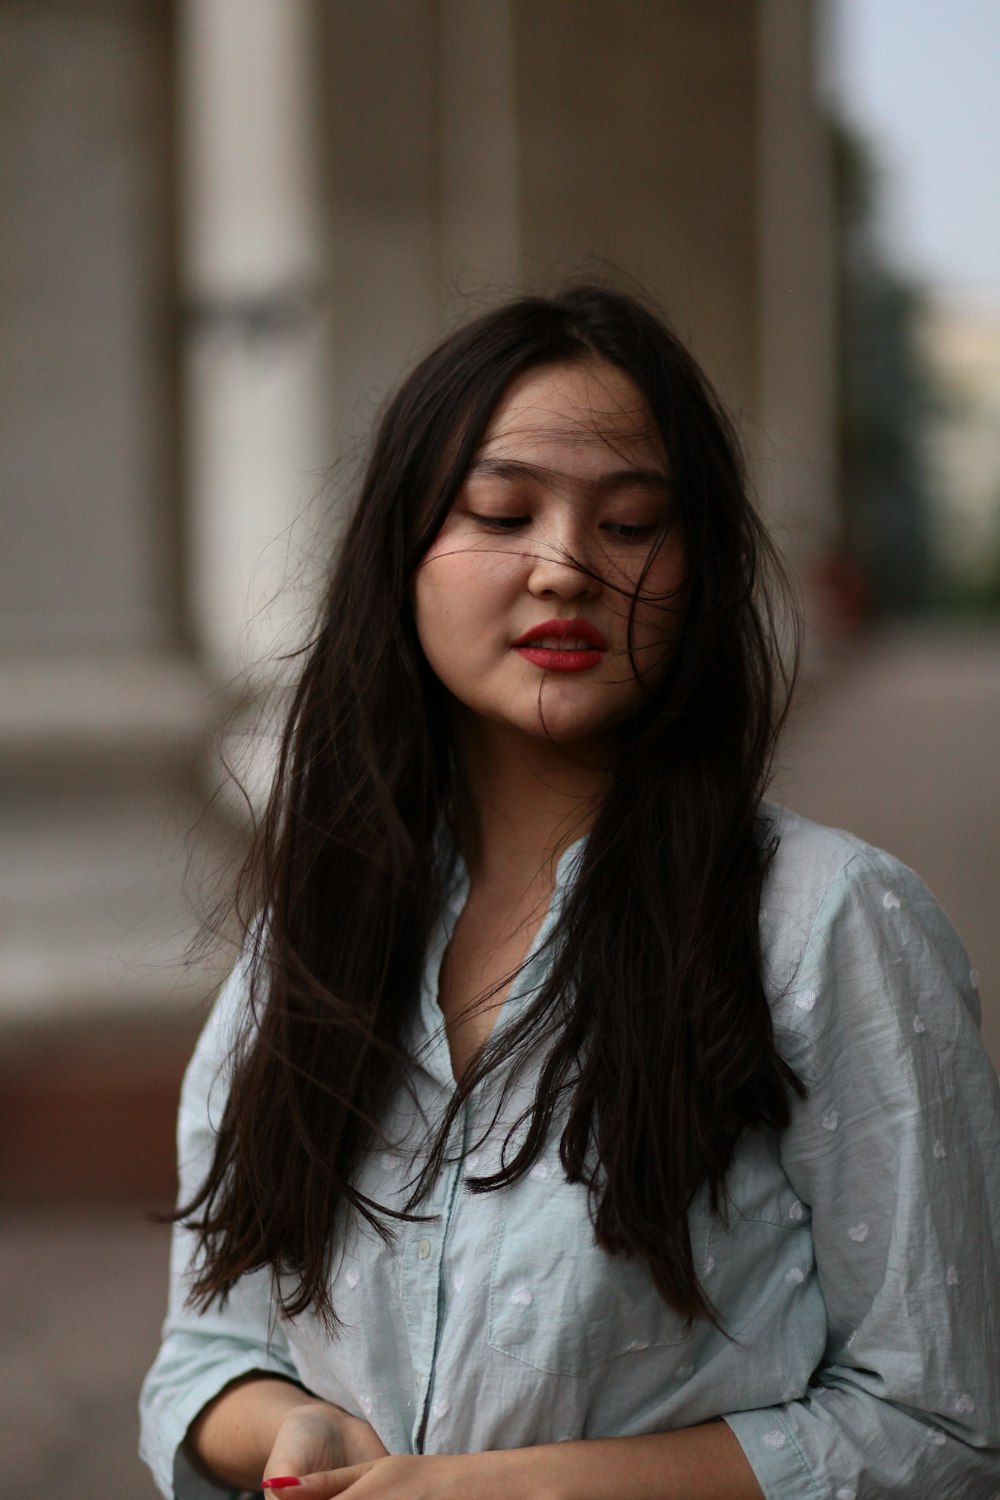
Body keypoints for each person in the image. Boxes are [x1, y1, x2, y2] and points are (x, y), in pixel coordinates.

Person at [140, 286, 1000, 1500]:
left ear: (697, 573)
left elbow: (937, 1424)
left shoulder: (827, 924)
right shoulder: (316, 935)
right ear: (403, 559)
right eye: (499, 511)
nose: (564, 568)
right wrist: (290, 1429)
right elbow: (206, 1348)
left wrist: (509, 1489)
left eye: (633, 524)